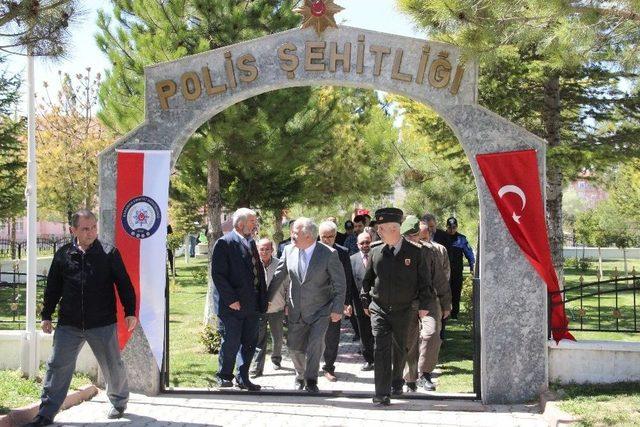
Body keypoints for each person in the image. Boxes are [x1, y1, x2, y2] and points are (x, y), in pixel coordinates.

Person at [26, 210, 137, 427]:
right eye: (85, 228)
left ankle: (119, 402)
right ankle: (46, 413)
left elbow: (124, 284)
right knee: (57, 366)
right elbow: (53, 288)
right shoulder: (63, 254)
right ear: (73, 230)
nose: (91, 232)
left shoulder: (109, 253)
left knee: (113, 365)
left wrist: (130, 311)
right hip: (69, 324)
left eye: (94, 227)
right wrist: (46, 315)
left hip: (102, 322)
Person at [361, 208, 435, 406]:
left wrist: (424, 306)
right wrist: (365, 300)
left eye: (382, 229)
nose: (378, 233)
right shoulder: (376, 251)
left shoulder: (416, 253)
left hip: (404, 309)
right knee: (380, 349)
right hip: (380, 308)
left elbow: (425, 283)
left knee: (401, 348)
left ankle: (396, 380)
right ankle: (381, 393)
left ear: (394, 229)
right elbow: (367, 280)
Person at [268, 217, 346, 393]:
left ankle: (311, 380)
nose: (292, 236)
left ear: (308, 235)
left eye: (296, 233)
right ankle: (300, 375)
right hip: (296, 310)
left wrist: (337, 308)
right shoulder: (288, 251)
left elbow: (340, 284)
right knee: (294, 348)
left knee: (315, 345)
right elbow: (278, 277)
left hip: (321, 310)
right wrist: (267, 299)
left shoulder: (328, 254)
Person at [211, 208, 268, 391]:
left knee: (249, 342)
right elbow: (218, 275)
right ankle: (224, 376)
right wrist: (231, 299)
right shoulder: (224, 243)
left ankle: (243, 377)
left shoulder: (251, 243)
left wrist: (262, 298)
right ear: (240, 223)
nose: (254, 224)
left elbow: (257, 273)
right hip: (232, 306)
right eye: (252, 221)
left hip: (251, 305)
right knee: (231, 341)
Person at [400, 215, 451, 392]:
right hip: (407, 303)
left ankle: (425, 373)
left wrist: (446, 303)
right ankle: (410, 379)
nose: (419, 240)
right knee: (410, 341)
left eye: (421, 237)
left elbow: (440, 279)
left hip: (429, 301)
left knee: (431, 335)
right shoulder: (396, 251)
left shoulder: (431, 252)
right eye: (414, 236)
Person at [318, 220, 355, 382]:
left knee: (332, 336)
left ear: (335, 236)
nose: (327, 240)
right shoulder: (312, 250)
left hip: (334, 301)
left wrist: (345, 303)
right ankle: (309, 367)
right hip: (314, 300)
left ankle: (329, 367)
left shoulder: (342, 252)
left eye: (330, 236)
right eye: (323, 237)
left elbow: (347, 279)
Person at [250, 238, 287, 377]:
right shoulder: (253, 265)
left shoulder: (280, 265)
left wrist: (288, 304)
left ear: (272, 250)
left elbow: (288, 286)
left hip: (277, 307)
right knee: (259, 338)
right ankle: (257, 368)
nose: (264, 252)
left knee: (277, 337)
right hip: (259, 309)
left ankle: (276, 359)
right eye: (261, 249)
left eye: (267, 249)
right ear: (257, 250)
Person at [349, 232, 375, 371]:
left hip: (377, 300)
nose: (365, 245)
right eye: (362, 243)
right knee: (364, 331)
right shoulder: (352, 259)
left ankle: (381, 357)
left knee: (378, 330)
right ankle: (369, 360)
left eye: (367, 242)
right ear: (357, 245)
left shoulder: (377, 256)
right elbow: (350, 283)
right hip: (359, 302)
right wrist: (349, 303)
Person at [445, 217, 475, 319]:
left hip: (457, 271)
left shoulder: (461, 239)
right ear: (446, 227)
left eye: (454, 227)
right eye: (450, 227)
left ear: (456, 227)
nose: (452, 229)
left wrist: (472, 266)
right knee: (444, 292)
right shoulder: (442, 237)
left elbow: (469, 254)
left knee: (456, 291)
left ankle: (454, 313)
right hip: (443, 271)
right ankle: (444, 312)